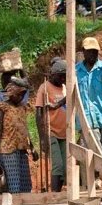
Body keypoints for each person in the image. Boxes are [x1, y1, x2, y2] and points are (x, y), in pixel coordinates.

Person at [0, 78, 37, 194]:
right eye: (18, 95)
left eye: (23, 95)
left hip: (21, 150)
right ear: (11, 94)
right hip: (7, 150)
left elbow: (24, 129)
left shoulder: (22, 107)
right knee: (13, 186)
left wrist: (32, 147)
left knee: (25, 186)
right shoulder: (1, 107)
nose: (21, 98)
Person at [35, 59, 68, 192]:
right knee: (58, 165)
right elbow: (38, 113)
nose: (62, 79)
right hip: (51, 131)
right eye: (60, 76)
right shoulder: (45, 88)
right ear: (53, 74)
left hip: (65, 132)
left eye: (65, 76)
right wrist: (42, 137)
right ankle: (54, 194)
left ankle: (59, 193)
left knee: (66, 167)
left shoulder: (65, 87)